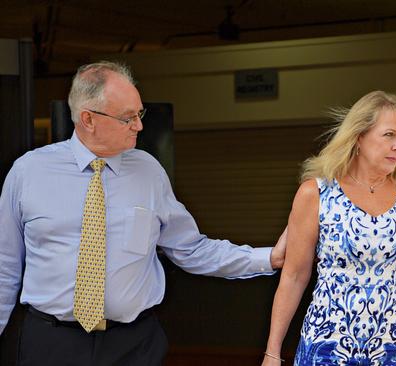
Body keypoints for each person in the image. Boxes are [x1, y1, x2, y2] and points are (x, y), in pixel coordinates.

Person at [0, 60, 287, 365]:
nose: (139, 125)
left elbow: (190, 249)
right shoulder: (28, 172)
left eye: (140, 114)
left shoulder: (149, 171)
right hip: (50, 345)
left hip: (133, 346)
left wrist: (267, 258)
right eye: (128, 118)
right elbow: (5, 267)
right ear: (88, 119)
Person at [262, 91, 396, 365]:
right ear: (359, 137)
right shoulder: (316, 193)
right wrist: (272, 352)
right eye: (389, 135)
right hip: (328, 349)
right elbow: (293, 277)